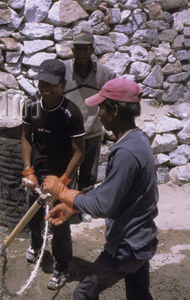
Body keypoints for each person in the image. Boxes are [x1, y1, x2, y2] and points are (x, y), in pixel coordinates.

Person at [41, 78, 167, 300]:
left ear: (114, 110)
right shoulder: (137, 140)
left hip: (127, 244)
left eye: (102, 109)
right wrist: (73, 207)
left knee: (85, 291)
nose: (99, 115)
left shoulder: (125, 152)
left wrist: (61, 190)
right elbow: (114, 192)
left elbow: (105, 204)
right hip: (142, 238)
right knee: (139, 297)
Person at [21, 58, 85, 290]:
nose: (44, 87)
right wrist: (28, 170)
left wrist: (64, 183)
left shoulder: (72, 114)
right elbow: (26, 138)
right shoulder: (31, 106)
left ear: (62, 84)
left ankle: (61, 267)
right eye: (41, 82)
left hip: (62, 176)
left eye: (51, 83)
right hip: (37, 175)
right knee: (34, 215)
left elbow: (79, 152)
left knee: (59, 224)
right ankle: (37, 247)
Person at [63, 31, 116, 223]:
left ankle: (84, 207)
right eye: (78, 49)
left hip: (92, 132)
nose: (81, 53)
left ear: (92, 50)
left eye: (85, 49)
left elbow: (112, 97)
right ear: (73, 50)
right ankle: (68, 206)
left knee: (88, 174)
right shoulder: (63, 70)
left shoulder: (104, 74)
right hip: (67, 133)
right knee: (67, 172)